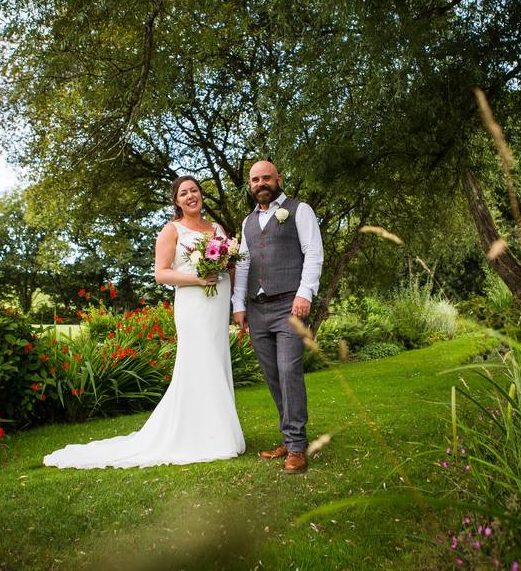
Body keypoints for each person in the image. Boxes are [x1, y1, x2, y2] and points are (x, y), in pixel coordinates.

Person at [43, 176, 245, 469]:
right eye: (183, 193)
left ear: (202, 195)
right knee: (198, 363)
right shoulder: (170, 230)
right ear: (176, 201)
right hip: (193, 305)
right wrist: (197, 278)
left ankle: (219, 431)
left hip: (217, 303)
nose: (191, 196)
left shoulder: (216, 228)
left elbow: (228, 265)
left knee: (217, 359)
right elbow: (161, 274)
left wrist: (232, 296)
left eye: (194, 191)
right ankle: (200, 436)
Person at [232, 160, 323, 474]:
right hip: (258, 310)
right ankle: (289, 439)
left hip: (289, 305)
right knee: (272, 376)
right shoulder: (247, 223)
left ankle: (297, 447)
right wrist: (238, 306)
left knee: (288, 371)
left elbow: (313, 252)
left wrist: (305, 292)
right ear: (251, 184)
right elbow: (243, 265)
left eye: (266, 177)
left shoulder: (300, 210)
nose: (260, 183)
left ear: (278, 179)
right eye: (255, 179)